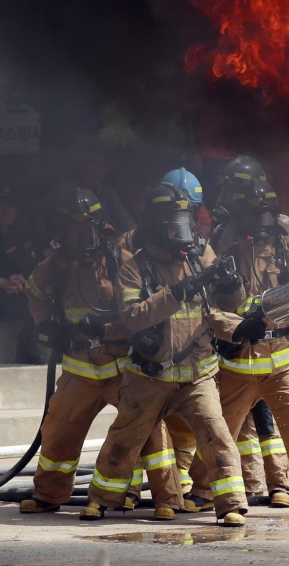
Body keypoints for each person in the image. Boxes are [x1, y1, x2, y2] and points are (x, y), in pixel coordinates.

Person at [81, 182, 248, 527]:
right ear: (157, 226)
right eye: (174, 223)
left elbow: (228, 304)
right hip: (149, 375)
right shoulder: (134, 268)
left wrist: (233, 286)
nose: (182, 231)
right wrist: (175, 293)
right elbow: (131, 318)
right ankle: (100, 499)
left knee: (216, 434)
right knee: (124, 440)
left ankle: (230, 504)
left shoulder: (202, 255)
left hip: (197, 371)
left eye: (185, 222)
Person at [19, 187, 181, 518]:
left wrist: (108, 330)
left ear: (101, 225)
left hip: (123, 367)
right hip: (80, 369)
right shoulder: (57, 264)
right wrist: (47, 324)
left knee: (149, 430)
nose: (83, 237)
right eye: (75, 230)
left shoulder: (121, 262)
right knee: (58, 431)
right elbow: (34, 291)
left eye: (88, 228)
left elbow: (141, 312)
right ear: (63, 232)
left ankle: (167, 499)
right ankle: (49, 494)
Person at [192, 177, 289, 521]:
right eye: (255, 220)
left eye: (266, 218)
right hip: (237, 364)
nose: (262, 230)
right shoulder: (222, 260)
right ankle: (210, 495)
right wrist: (238, 326)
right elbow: (206, 310)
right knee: (219, 433)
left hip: (284, 361)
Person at [209, 159, 289, 509]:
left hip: (267, 342)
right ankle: (254, 485)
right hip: (233, 338)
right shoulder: (224, 230)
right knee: (243, 422)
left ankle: (278, 483)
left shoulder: (271, 232)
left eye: (233, 187)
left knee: (263, 417)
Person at [0, 183, 43, 364]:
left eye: (10, 206)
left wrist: (22, 281)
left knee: (37, 300)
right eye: (1, 205)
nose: (5, 210)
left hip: (16, 296)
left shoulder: (20, 236)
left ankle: (28, 346)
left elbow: (30, 266)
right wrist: (2, 282)